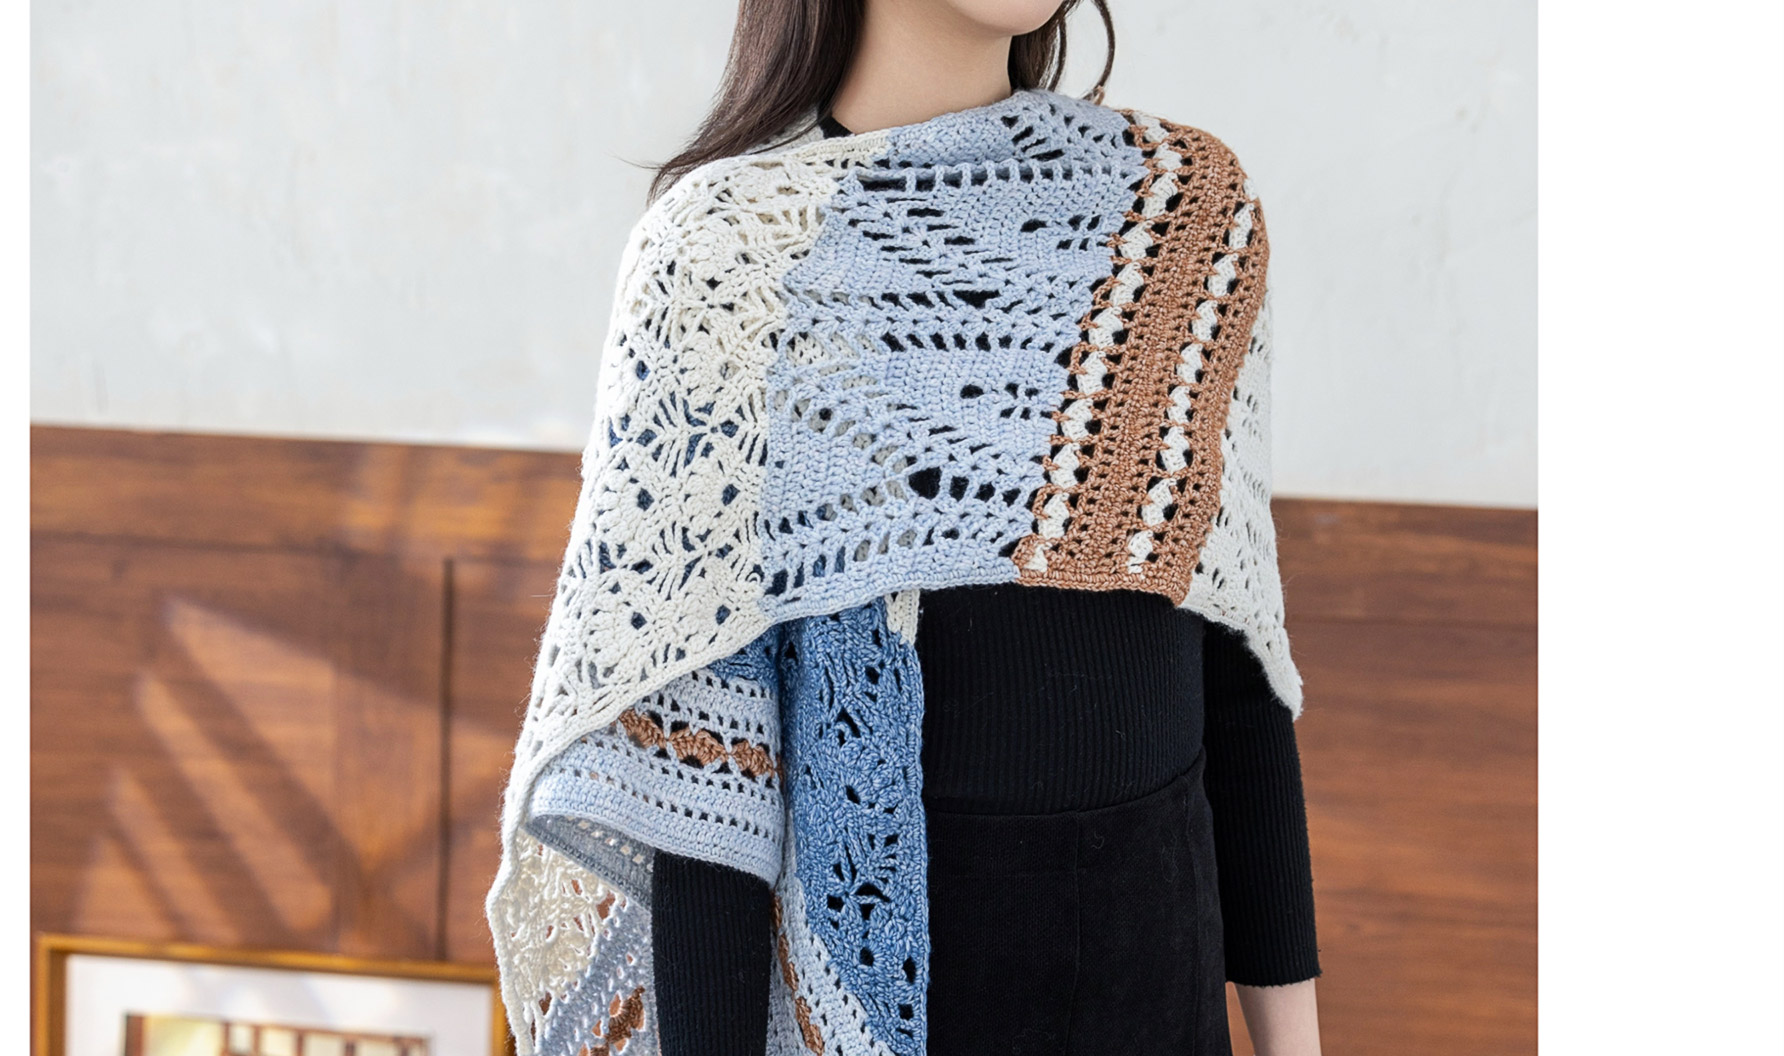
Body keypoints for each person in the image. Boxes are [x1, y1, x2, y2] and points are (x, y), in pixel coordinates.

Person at [485, 2, 1323, 1054]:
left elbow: (1239, 676)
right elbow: (704, 778)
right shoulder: (726, 257)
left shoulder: (1180, 216)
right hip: (899, 995)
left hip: (1158, 982)